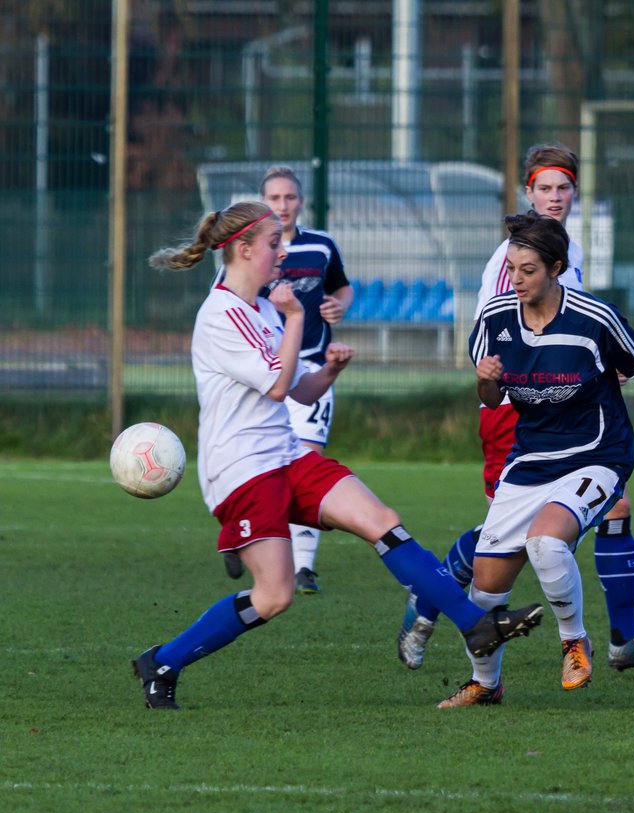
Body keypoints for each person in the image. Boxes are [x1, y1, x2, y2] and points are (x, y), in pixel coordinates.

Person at [131, 201, 543, 710]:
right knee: (275, 596)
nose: (282, 253)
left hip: (286, 454)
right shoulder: (222, 316)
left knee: (382, 521)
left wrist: (328, 372)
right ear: (242, 249)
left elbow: (300, 390)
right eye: (273, 244)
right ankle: (163, 661)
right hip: (242, 471)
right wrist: (298, 316)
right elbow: (280, 385)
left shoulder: (260, 307)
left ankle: (475, 626)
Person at [397, 143, 634, 676]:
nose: (555, 197)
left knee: (610, 510)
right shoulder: (518, 257)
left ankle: (621, 639)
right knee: (502, 538)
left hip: (568, 414)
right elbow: (504, 341)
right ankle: (431, 600)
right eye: (544, 189)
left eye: (564, 188)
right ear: (527, 194)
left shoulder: (553, 251)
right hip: (517, 407)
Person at [219, 165, 352, 594]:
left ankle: (304, 566)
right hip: (262, 374)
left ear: (300, 201)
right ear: (263, 203)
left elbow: (343, 289)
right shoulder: (250, 253)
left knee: (308, 460)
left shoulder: (322, 246)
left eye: (290, 197)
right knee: (259, 462)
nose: (283, 205)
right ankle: (241, 531)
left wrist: (337, 305)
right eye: (275, 199)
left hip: (311, 366)